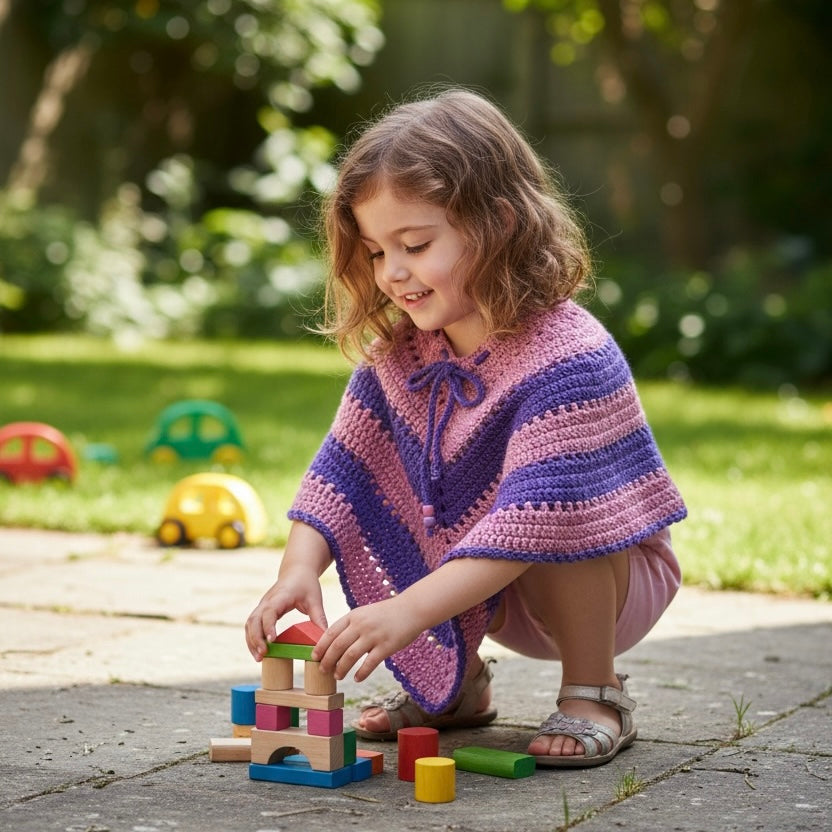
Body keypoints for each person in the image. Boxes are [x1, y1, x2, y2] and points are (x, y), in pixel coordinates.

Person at [245, 88, 687, 768]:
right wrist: (296, 571)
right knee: (421, 488)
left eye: (415, 245)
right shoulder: (402, 355)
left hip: (607, 582)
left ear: (499, 224)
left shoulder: (568, 357)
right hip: (486, 581)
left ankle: (595, 691)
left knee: (554, 508)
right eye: (372, 253)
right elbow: (342, 467)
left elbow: (536, 521)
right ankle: (456, 686)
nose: (392, 273)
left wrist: (407, 613)